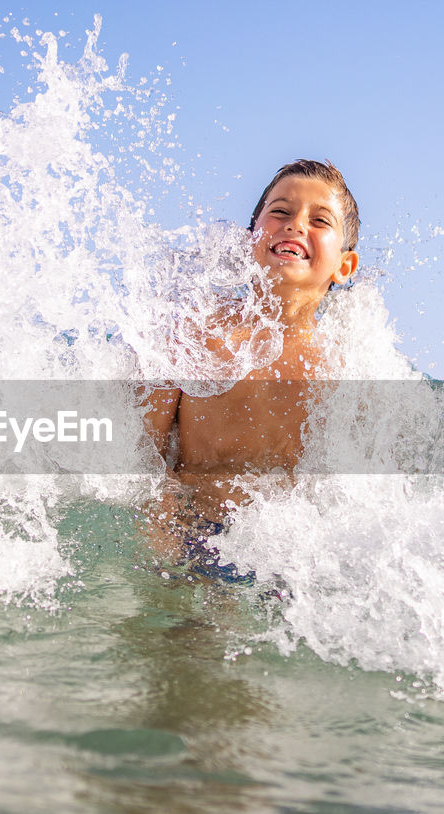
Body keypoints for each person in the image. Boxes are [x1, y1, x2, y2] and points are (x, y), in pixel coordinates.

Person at [140, 159, 360, 576]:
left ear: (344, 266)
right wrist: (165, 533)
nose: (295, 225)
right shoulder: (197, 330)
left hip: (284, 552)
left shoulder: (345, 365)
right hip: (193, 534)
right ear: (249, 241)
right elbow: (144, 454)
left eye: (320, 220)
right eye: (280, 211)